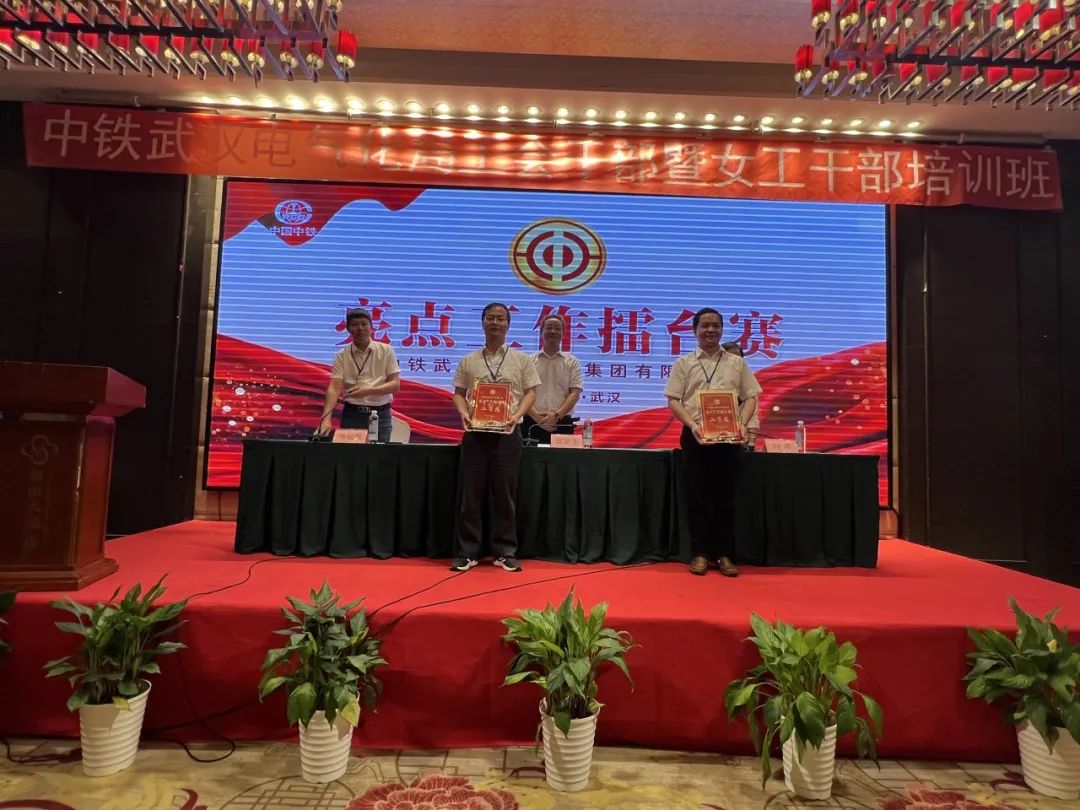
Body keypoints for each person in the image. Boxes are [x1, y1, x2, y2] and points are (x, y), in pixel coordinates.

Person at [665, 308, 761, 577]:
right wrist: (693, 425)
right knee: (697, 496)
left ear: (721, 329)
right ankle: (699, 553)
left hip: (729, 437)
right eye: (705, 325)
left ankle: (725, 554)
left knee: (725, 497)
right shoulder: (683, 363)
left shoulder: (736, 363)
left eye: (715, 326)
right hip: (695, 436)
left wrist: (742, 423)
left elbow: (751, 396)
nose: (710, 330)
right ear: (695, 330)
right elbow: (673, 400)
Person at [450, 302, 541, 573]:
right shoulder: (469, 360)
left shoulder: (521, 360)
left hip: (508, 435)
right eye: (491, 318)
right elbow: (458, 393)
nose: (495, 323)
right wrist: (463, 413)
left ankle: (505, 551)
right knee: (471, 495)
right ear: (483, 323)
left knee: (505, 495)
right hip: (475, 434)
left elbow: (531, 392)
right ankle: (468, 552)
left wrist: (517, 415)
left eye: (501, 319)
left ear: (508, 325)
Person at [318, 308, 400, 443]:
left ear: (371, 327)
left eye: (364, 324)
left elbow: (395, 385)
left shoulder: (386, 351)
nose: (360, 328)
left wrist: (367, 391)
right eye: (354, 324)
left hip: (380, 414)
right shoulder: (342, 355)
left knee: (378, 454)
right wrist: (326, 418)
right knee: (351, 454)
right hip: (352, 414)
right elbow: (334, 387)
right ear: (348, 329)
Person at [522, 315, 583, 444]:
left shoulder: (572, 362)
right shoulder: (529, 361)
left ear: (563, 334)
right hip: (532, 422)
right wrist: (538, 419)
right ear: (541, 332)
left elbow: (575, 393)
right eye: (548, 327)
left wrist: (556, 416)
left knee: (561, 457)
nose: (553, 331)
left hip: (562, 422)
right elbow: (523, 393)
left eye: (557, 328)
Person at [722, 341, 759, 446]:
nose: (735, 359)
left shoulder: (747, 380)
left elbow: (753, 415)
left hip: (739, 437)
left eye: (738, 356)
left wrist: (751, 442)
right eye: (730, 356)